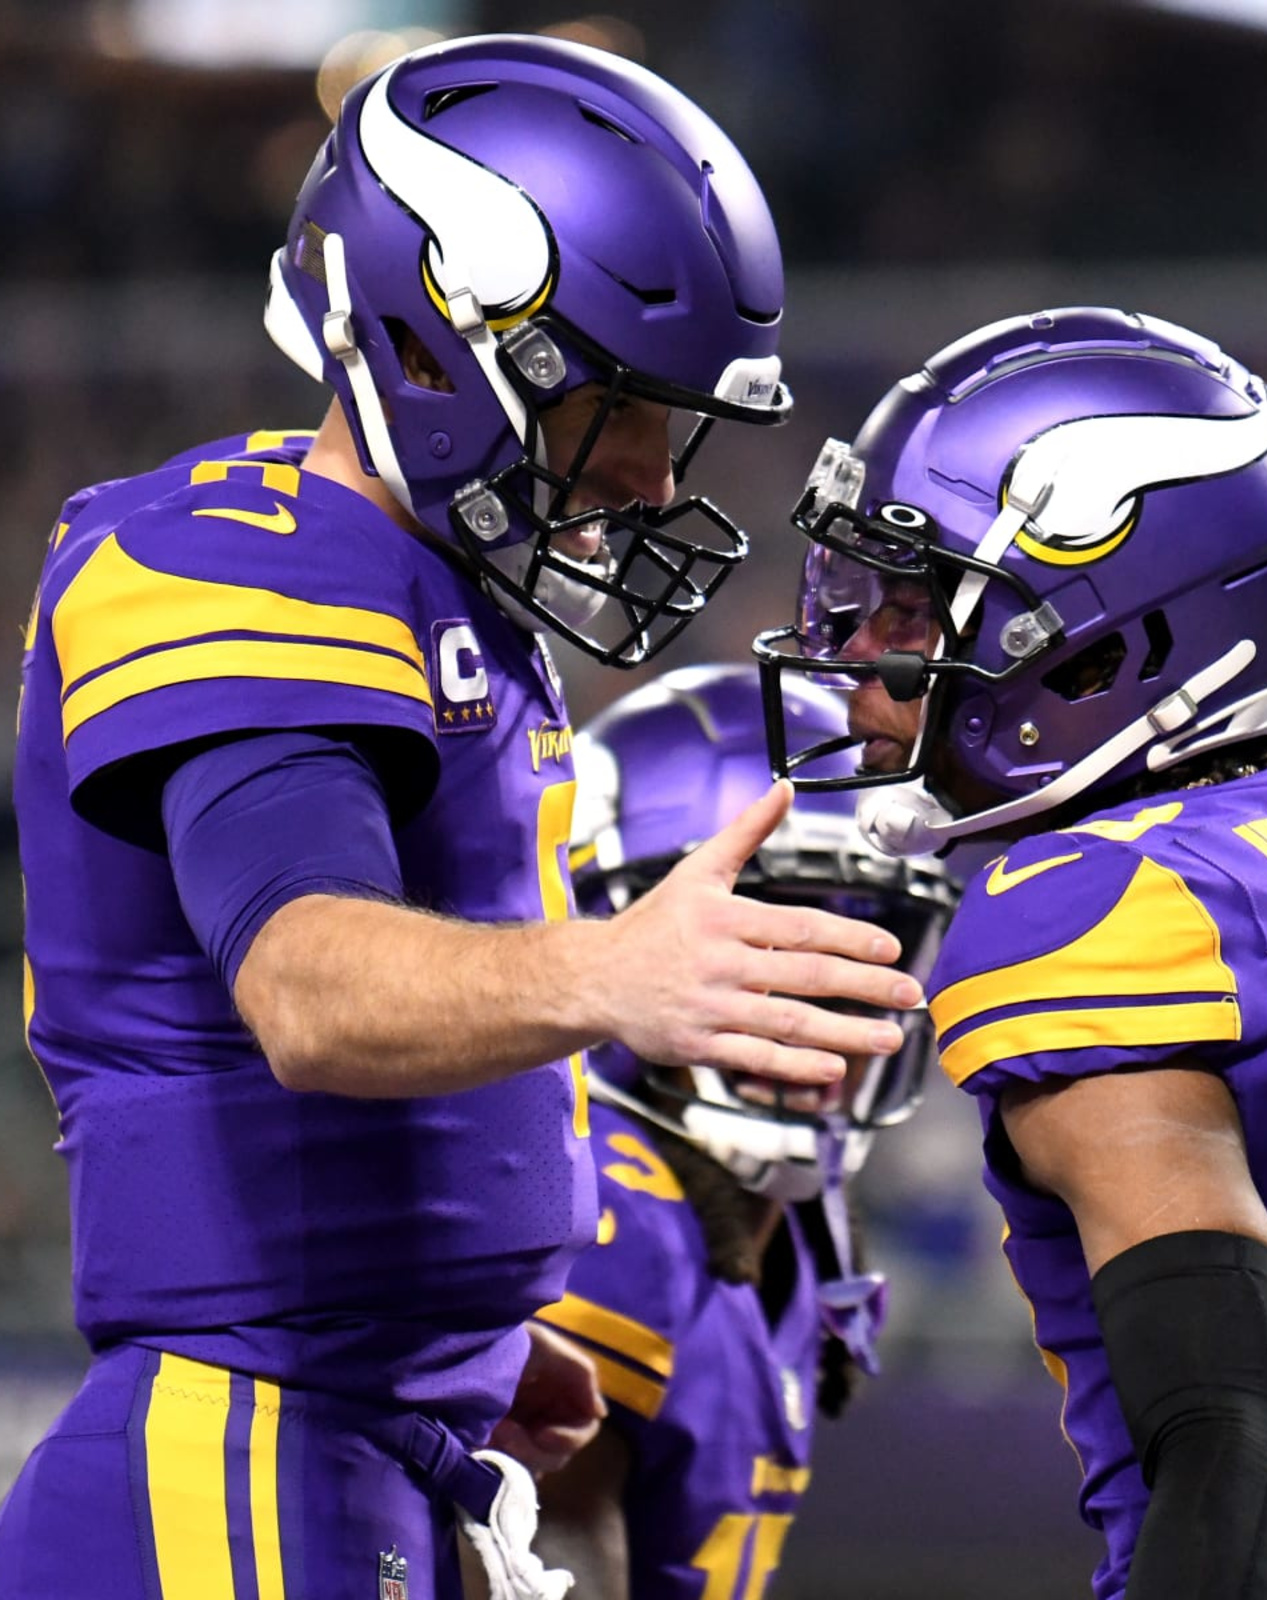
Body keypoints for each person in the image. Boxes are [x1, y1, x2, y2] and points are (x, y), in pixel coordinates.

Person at [1, 36, 921, 1600]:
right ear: (433, 349)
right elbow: (307, 988)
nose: (644, 474)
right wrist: (613, 973)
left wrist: (462, 1349)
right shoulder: (235, 560)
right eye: (608, 409)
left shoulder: (453, 611)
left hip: (375, 1442)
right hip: (234, 1460)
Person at [754, 306, 1267, 1600]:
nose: (856, 657)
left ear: (1114, 641)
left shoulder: (1086, 913)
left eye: (916, 612)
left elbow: (1235, 1455)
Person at [505, 664, 953, 1600]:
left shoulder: (798, 1237)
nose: (808, 1010)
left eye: (861, 950)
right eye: (756, 951)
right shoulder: (598, 1218)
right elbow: (526, 1571)